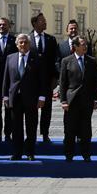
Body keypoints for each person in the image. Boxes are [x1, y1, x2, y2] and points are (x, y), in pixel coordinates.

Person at [2, 34, 48, 160]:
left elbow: (42, 80)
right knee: (16, 127)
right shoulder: (10, 58)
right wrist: (5, 96)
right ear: (17, 45)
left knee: (31, 126)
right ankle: (17, 152)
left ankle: (30, 152)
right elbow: (6, 78)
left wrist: (42, 97)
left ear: (29, 44)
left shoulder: (37, 58)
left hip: (31, 98)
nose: (23, 45)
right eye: (20, 42)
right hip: (15, 98)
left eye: (25, 42)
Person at [60, 36, 97, 161]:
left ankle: (86, 154)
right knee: (70, 129)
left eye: (86, 44)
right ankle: (69, 154)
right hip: (72, 101)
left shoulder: (91, 61)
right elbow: (63, 82)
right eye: (82, 44)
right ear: (75, 46)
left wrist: (96, 99)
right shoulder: (66, 61)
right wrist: (63, 101)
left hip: (87, 100)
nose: (85, 46)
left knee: (86, 130)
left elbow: (96, 81)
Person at [30, 13, 59, 143]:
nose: (45, 22)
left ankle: (45, 133)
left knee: (47, 109)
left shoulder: (51, 39)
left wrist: (55, 78)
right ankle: (32, 134)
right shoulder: (27, 39)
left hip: (47, 81)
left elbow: (56, 60)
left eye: (45, 20)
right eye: (42, 21)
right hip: (32, 81)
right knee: (32, 109)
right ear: (34, 23)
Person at [0, 17, 18, 142]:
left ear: (9, 26)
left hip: (10, 80)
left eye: (4, 25)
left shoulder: (15, 40)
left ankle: (8, 134)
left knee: (9, 109)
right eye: (0, 25)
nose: (1, 27)